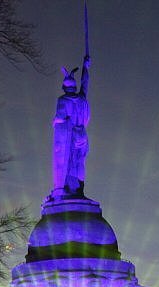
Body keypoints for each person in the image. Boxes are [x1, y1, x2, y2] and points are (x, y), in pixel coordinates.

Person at [52, 55, 91, 197]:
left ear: (64, 87)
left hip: (71, 134)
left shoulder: (62, 100)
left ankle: (70, 188)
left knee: (68, 163)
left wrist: (56, 121)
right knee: (80, 161)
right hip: (82, 135)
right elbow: (85, 83)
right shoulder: (81, 98)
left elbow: (60, 119)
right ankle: (80, 189)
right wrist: (86, 67)